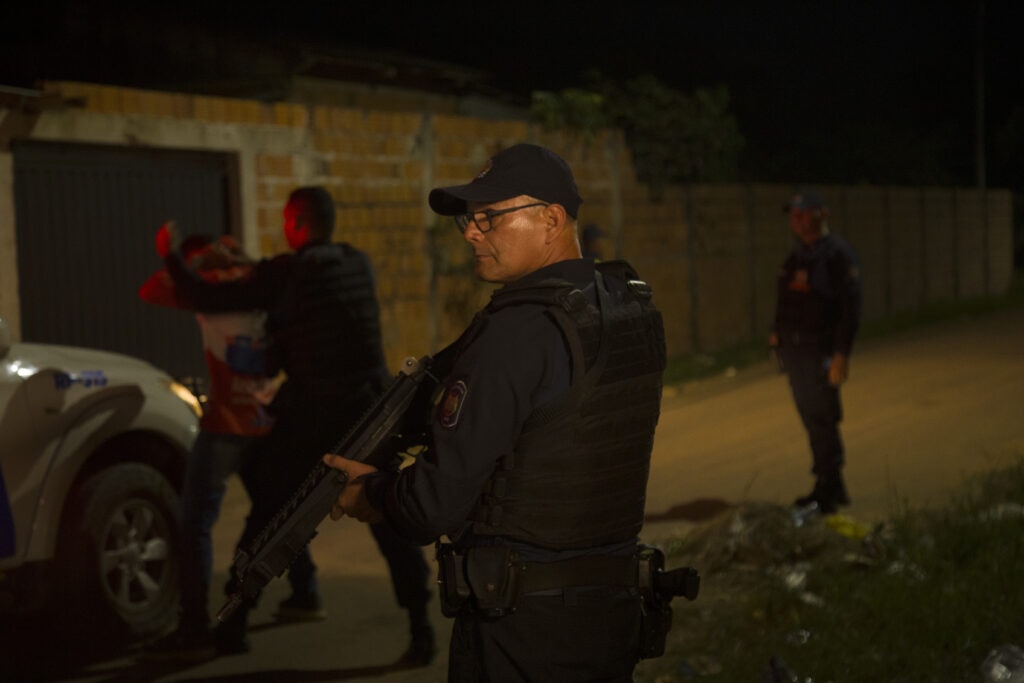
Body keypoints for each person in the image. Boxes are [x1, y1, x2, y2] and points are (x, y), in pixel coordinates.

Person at [322, 143, 669, 682]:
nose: (470, 232)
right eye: (469, 217)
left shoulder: (514, 335)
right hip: (611, 613)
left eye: (490, 216)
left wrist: (373, 493)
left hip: (524, 629)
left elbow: (432, 507)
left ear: (551, 220)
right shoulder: (628, 308)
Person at [162, 187, 435, 662]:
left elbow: (203, 291)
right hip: (370, 414)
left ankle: (234, 622)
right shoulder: (358, 263)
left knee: (268, 513)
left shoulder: (286, 272)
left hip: (312, 414)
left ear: (298, 223)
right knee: (388, 518)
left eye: (288, 220)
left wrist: (171, 255)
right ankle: (421, 629)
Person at [139, 226, 285, 657]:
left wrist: (194, 264)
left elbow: (150, 289)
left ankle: (194, 626)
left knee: (194, 524)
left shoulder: (201, 289)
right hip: (268, 420)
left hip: (226, 424)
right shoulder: (261, 284)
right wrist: (236, 258)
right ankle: (304, 592)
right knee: (271, 518)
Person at [770, 189, 862, 515]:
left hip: (820, 350)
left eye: (802, 213)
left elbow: (849, 311)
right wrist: (776, 338)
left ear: (820, 214)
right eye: (792, 214)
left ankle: (829, 487)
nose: (795, 220)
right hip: (796, 351)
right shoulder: (798, 256)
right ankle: (829, 485)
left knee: (823, 418)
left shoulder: (837, 256)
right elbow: (785, 302)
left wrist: (840, 355)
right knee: (811, 418)